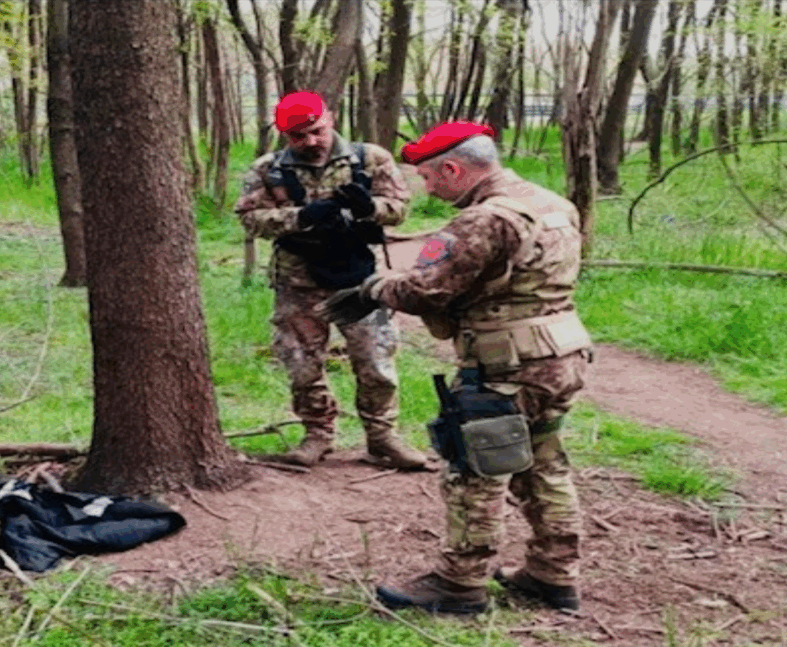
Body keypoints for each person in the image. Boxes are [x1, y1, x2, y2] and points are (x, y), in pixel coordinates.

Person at [319, 122, 593, 614]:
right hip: (562, 354)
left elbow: (427, 288)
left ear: (453, 168)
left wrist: (374, 288)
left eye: (429, 176)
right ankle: (554, 574)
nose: (427, 187)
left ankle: (459, 584)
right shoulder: (552, 203)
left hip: (505, 362)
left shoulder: (482, 221)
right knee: (545, 463)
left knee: (476, 470)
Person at [234, 91, 429, 470]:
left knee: (375, 361)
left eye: (316, 131)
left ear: (331, 118)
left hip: (360, 279)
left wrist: (369, 208)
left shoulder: (369, 158)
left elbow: (400, 208)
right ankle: (317, 434)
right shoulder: (268, 169)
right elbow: (250, 218)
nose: (309, 142)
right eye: (298, 137)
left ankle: (382, 436)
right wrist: (303, 217)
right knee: (302, 363)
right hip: (299, 280)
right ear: (283, 134)